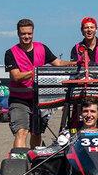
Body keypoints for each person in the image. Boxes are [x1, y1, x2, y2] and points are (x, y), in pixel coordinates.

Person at [5, 19, 69, 149]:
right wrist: (36, 71)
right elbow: (16, 76)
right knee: (21, 131)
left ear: (33, 33)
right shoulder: (10, 53)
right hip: (19, 100)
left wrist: (76, 63)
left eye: (29, 33)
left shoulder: (42, 48)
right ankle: (19, 163)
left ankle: (32, 162)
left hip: (39, 99)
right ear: (18, 33)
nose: (26, 37)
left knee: (37, 132)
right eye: (23, 34)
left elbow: (58, 63)